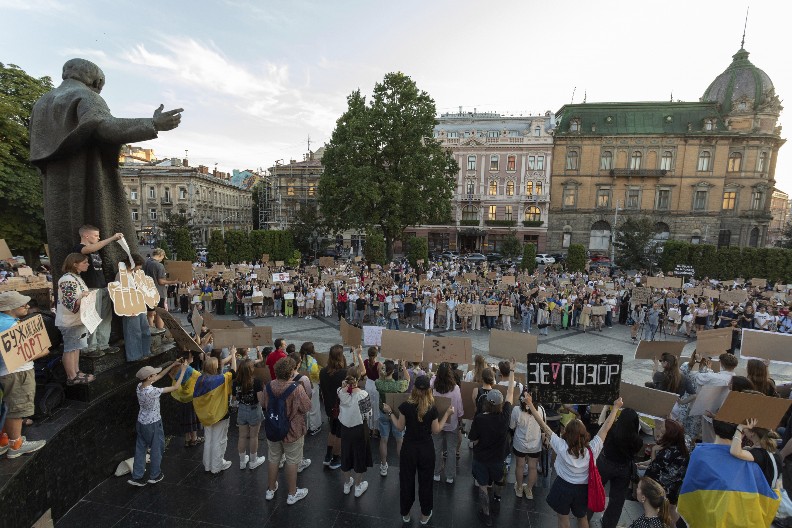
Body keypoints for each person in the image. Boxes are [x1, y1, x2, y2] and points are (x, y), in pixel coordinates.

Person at [30, 58, 182, 289]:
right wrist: (152, 124)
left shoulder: (41, 104)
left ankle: (68, 293)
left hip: (56, 182)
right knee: (106, 223)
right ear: (96, 80)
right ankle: (115, 310)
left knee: (63, 236)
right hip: (87, 175)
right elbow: (104, 127)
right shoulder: (86, 96)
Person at [526, 394, 624, 528]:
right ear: (584, 434)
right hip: (582, 489)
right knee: (582, 517)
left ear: (567, 433)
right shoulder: (592, 449)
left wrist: (530, 404)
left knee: (563, 519)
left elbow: (543, 426)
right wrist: (616, 407)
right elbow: (605, 428)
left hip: (562, 487)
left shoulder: (561, 446)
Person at [382, 375, 455, 524]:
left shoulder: (405, 406)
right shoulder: (432, 408)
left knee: (406, 481)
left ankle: (406, 513)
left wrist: (389, 412)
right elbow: (436, 430)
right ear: (429, 390)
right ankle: (424, 514)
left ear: (414, 388)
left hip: (408, 448)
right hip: (426, 449)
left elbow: (400, 427)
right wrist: (447, 414)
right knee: (426, 483)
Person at [469, 359, 516, 527]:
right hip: (499, 458)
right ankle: (497, 498)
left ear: (487, 402)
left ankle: (486, 514)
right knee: (498, 480)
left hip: (481, 458)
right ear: (501, 404)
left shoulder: (480, 419)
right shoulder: (505, 417)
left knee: (482, 486)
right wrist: (511, 371)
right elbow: (510, 391)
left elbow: (473, 439)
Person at [0, 291, 47, 458]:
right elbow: (21, 354)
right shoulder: (12, 327)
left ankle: (5, 440)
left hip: (5, 373)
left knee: (7, 407)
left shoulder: (3, 322)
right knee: (16, 409)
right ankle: (16, 444)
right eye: (22, 304)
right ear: (10, 308)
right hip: (17, 373)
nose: (27, 306)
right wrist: (42, 352)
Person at [127, 361, 187, 486]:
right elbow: (175, 387)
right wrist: (183, 371)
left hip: (141, 422)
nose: (156, 375)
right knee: (156, 448)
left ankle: (137, 476)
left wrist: (172, 365)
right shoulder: (152, 391)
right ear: (149, 378)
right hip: (153, 424)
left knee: (140, 448)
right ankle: (155, 475)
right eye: (153, 374)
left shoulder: (139, 386)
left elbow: (159, 376)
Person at [263, 356, 312, 505]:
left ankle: (270, 490)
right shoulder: (296, 388)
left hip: (273, 428)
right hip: (292, 430)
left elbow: (263, 403)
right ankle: (292, 493)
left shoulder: (269, 385)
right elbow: (307, 407)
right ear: (291, 372)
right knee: (292, 461)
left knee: (273, 458)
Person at [589, 408, 645, 528]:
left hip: (605, 464)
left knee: (594, 491)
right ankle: (609, 524)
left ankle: (584, 518)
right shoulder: (638, 440)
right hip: (623, 469)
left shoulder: (612, 430)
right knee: (617, 500)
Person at [72, 225, 121, 355]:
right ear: (85, 235)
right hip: (90, 288)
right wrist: (112, 238)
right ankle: (91, 347)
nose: (98, 238)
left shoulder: (96, 251)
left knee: (105, 318)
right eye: (96, 235)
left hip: (102, 287)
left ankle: (103, 344)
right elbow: (89, 248)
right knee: (92, 319)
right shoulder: (79, 248)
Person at [55, 252, 96, 384]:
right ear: (75, 264)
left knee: (76, 348)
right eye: (84, 262)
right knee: (70, 349)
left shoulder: (75, 277)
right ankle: (72, 376)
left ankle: (76, 372)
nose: (88, 264)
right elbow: (69, 302)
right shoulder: (67, 279)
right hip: (69, 321)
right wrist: (83, 296)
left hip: (77, 320)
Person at [193, 351, 237, 474]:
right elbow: (234, 371)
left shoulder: (200, 379)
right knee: (219, 440)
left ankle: (207, 465)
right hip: (219, 415)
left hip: (205, 415)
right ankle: (217, 466)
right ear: (215, 367)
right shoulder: (220, 379)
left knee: (209, 440)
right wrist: (233, 355)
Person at [642, 419, 689, 525]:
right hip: (675, 488)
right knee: (672, 511)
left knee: (659, 513)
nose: (661, 431)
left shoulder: (669, 451)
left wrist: (654, 450)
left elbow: (654, 467)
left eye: (663, 431)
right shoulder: (682, 449)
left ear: (669, 434)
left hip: (663, 488)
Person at [337, 367, 373, 497]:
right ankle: (358, 487)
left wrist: (343, 387)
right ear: (358, 379)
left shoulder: (340, 392)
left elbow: (342, 391)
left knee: (346, 454)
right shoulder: (363, 395)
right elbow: (368, 415)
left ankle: (347, 484)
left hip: (345, 428)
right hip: (359, 429)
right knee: (359, 456)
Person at [375, 359, 411, 476]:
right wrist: (404, 367)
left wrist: (381, 372)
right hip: (396, 414)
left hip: (383, 413)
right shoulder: (398, 385)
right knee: (399, 440)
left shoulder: (379, 384)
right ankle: (402, 466)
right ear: (393, 371)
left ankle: (383, 465)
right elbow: (408, 380)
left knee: (383, 440)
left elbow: (379, 378)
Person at [431, 363, 464, 484]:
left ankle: (436, 473)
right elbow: (459, 407)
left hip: (437, 422)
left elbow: (431, 380)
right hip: (452, 423)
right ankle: (450, 476)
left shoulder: (434, 387)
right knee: (451, 450)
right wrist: (460, 419)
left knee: (436, 449)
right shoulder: (455, 388)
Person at [319, 344, 351, 470]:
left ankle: (328, 456)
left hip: (329, 407)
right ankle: (336, 458)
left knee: (332, 431)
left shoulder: (323, 371)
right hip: (340, 408)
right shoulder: (344, 373)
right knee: (339, 434)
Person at [511, 388, 545, 500]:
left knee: (520, 466)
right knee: (533, 467)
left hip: (520, 443)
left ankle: (519, 488)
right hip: (535, 445)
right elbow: (544, 427)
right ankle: (529, 490)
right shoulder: (540, 410)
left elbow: (512, 426)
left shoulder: (516, 410)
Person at [232, 359, 266, 470]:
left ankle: (242, 462)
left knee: (242, 436)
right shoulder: (256, 382)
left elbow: (234, 399)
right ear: (251, 370)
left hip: (241, 410)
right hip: (254, 410)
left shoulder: (236, 382)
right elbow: (261, 401)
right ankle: (253, 461)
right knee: (253, 436)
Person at [730, 418, 782, 488]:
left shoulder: (759, 453)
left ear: (752, 433)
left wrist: (739, 428)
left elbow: (735, 452)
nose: (743, 430)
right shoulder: (769, 449)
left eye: (745, 426)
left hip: (763, 495)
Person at [119, 254, 152, 362]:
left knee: (145, 330)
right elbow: (120, 294)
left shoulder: (133, 274)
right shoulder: (121, 275)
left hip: (139, 306)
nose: (140, 268)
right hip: (130, 308)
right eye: (139, 265)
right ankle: (135, 357)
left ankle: (145, 352)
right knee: (133, 333)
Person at [143, 248, 178, 333]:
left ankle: (151, 331)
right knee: (160, 313)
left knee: (150, 313)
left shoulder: (145, 263)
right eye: (163, 257)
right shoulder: (159, 265)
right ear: (160, 255)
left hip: (147, 292)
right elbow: (161, 281)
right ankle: (160, 332)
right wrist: (173, 282)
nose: (162, 259)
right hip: (158, 292)